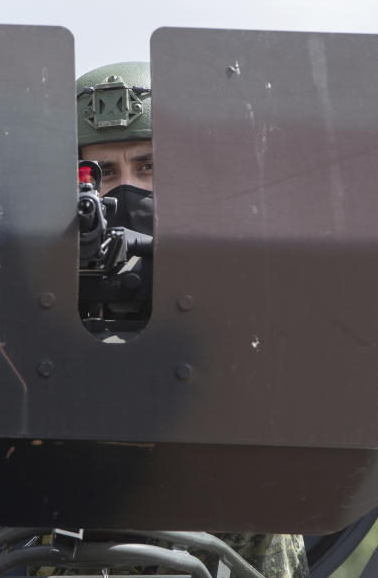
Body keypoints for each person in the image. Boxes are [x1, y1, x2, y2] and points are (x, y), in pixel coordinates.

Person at [75, 62, 310, 578]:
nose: (127, 190)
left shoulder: (241, 282)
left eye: (149, 167)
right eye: (104, 174)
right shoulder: (30, 292)